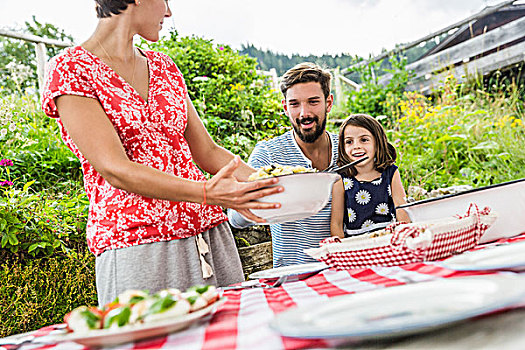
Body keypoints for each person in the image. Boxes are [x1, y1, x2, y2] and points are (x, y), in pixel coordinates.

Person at [41, 0, 283, 306]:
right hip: (138, 244)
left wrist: (278, 184)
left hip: (210, 235)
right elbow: (115, 168)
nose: (168, 12)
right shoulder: (71, 69)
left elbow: (207, 152)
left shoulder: (165, 68)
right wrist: (208, 193)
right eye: (166, 1)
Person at [229, 62, 338, 268]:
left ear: (328, 103)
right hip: (293, 276)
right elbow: (235, 219)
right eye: (295, 104)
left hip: (348, 268)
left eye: (313, 102)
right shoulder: (269, 154)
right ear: (285, 107)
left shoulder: (348, 150)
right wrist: (256, 197)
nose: (304, 113)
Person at [330, 114, 410, 238]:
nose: (356, 146)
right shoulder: (340, 180)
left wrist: (405, 237)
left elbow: (402, 209)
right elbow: (336, 223)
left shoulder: (390, 173)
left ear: (377, 143)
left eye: (364, 140)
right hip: (355, 245)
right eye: (349, 142)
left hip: (388, 239)